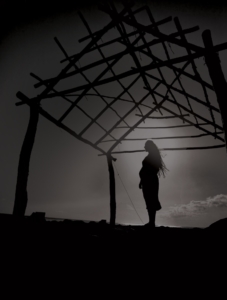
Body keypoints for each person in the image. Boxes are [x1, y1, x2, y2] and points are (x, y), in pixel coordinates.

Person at [139, 140, 168, 227]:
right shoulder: (150, 156)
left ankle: (152, 222)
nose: (144, 147)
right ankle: (151, 222)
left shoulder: (153, 157)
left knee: (151, 200)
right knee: (148, 201)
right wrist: (141, 181)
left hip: (150, 181)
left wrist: (146, 178)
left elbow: (153, 169)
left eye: (145, 146)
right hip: (146, 180)